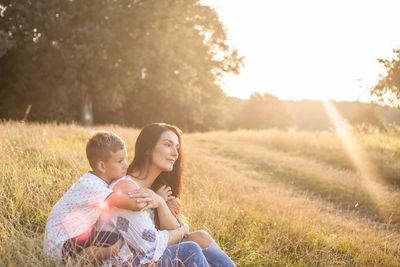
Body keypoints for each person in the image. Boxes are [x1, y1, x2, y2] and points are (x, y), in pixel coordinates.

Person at [100, 123, 235, 266]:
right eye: (168, 145)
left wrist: (161, 203)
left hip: (144, 257)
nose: (175, 153)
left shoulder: (153, 190)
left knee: (201, 238)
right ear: (147, 149)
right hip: (127, 263)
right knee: (190, 248)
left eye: (177, 148)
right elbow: (151, 246)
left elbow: (171, 232)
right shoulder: (128, 188)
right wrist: (183, 229)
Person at [43, 131, 153, 263]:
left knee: (116, 236)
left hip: (74, 239)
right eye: (119, 161)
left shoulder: (97, 182)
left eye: (125, 159)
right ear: (102, 166)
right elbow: (134, 204)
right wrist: (154, 197)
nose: (126, 165)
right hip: (60, 247)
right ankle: (77, 262)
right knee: (114, 242)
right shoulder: (92, 186)